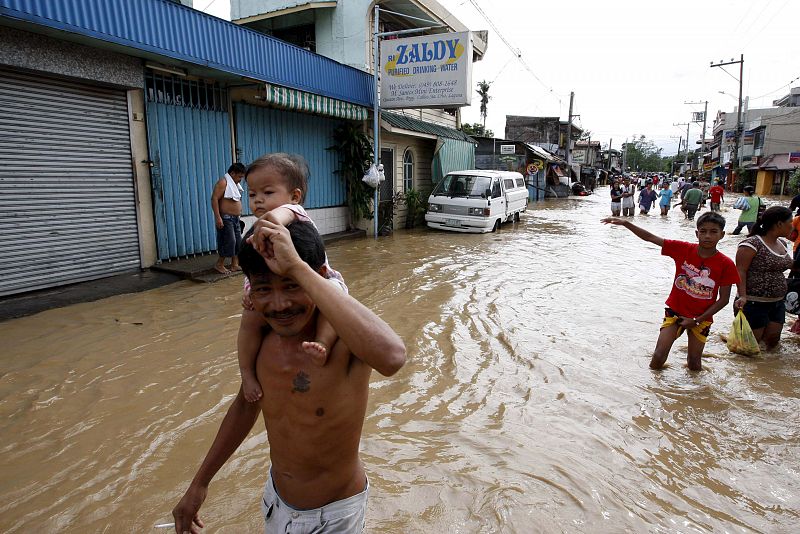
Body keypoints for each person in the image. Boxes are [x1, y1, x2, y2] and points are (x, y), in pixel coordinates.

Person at [172, 220, 406, 534]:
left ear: (317, 279)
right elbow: (245, 405)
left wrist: (297, 265)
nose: (280, 305)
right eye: (264, 289)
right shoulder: (263, 342)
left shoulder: (343, 340)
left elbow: (392, 358)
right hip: (277, 502)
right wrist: (199, 484)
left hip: (335, 515)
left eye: (292, 285)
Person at [238, 153, 344, 403]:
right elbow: (254, 270)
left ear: (294, 196)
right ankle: (246, 373)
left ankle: (323, 343)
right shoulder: (258, 228)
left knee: (333, 301)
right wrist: (250, 290)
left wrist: (269, 223)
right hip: (275, 283)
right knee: (249, 320)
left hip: (320, 282)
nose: (258, 201)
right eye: (252, 195)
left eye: (267, 193)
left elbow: (280, 216)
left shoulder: (292, 213)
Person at [601, 212, 740, 371]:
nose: (707, 236)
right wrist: (626, 223)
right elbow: (651, 238)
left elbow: (723, 300)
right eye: (703, 231)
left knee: (694, 363)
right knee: (658, 357)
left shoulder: (726, 264)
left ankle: (695, 394)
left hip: (702, 318)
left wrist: (696, 320)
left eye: (713, 232)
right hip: (675, 313)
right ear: (697, 233)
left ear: (722, 235)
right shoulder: (683, 249)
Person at [733, 206, 794, 350]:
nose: (792, 226)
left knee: (772, 341)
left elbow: (789, 264)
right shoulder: (752, 244)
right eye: (790, 222)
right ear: (779, 224)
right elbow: (740, 271)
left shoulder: (782, 244)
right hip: (754, 303)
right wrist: (742, 296)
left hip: (777, 302)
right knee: (749, 348)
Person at [211, 163, 247, 274]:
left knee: (238, 242)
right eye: (239, 177)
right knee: (229, 241)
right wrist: (218, 217)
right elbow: (214, 199)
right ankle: (219, 264)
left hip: (235, 218)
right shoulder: (223, 182)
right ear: (232, 173)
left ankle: (234, 264)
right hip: (226, 218)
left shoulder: (235, 184)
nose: (241, 180)